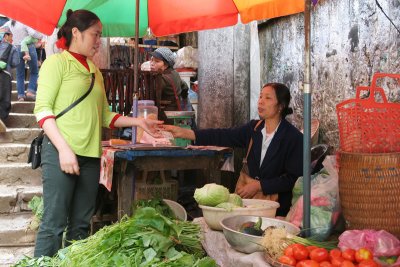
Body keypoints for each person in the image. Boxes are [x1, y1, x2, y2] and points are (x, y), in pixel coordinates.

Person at [33, 9, 163, 257]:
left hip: (91, 157)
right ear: (75, 33)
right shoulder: (56, 63)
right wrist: (63, 150)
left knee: (82, 225)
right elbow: (42, 112)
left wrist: (138, 122)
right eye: (95, 34)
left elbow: (106, 115)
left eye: (100, 35)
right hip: (61, 154)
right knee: (54, 224)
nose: (98, 40)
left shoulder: (94, 70)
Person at [163, 83, 303, 217]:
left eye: (268, 98)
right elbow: (223, 135)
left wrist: (259, 186)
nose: (260, 102)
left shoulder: (293, 137)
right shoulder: (254, 129)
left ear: (281, 106)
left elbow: (293, 178)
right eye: (260, 96)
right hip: (251, 206)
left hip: (278, 209)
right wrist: (186, 133)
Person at [2, 20, 43, 101]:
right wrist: (41, 35)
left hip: (16, 48)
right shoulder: (24, 22)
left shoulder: (8, 23)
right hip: (29, 47)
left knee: (19, 74)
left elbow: (2, 30)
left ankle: (21, 96)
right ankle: (30, 91)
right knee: (34, 71)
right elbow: (33, 33)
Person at [150, 47, 190, 122]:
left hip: (165, 117)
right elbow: (185, 86)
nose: (152, 63)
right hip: (175, 113)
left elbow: (151, 94)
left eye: (157, 61)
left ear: (165, 65)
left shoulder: (162, 78)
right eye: (151, 60)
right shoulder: (174, 73)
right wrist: (182, 97)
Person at [0, 26, 19, 132]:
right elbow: (15, 63)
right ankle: (2, 119)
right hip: (5, 75)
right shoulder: (12, 48)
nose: (12, 37)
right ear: (6, 35)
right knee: (4, 99)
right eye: (11, 35)